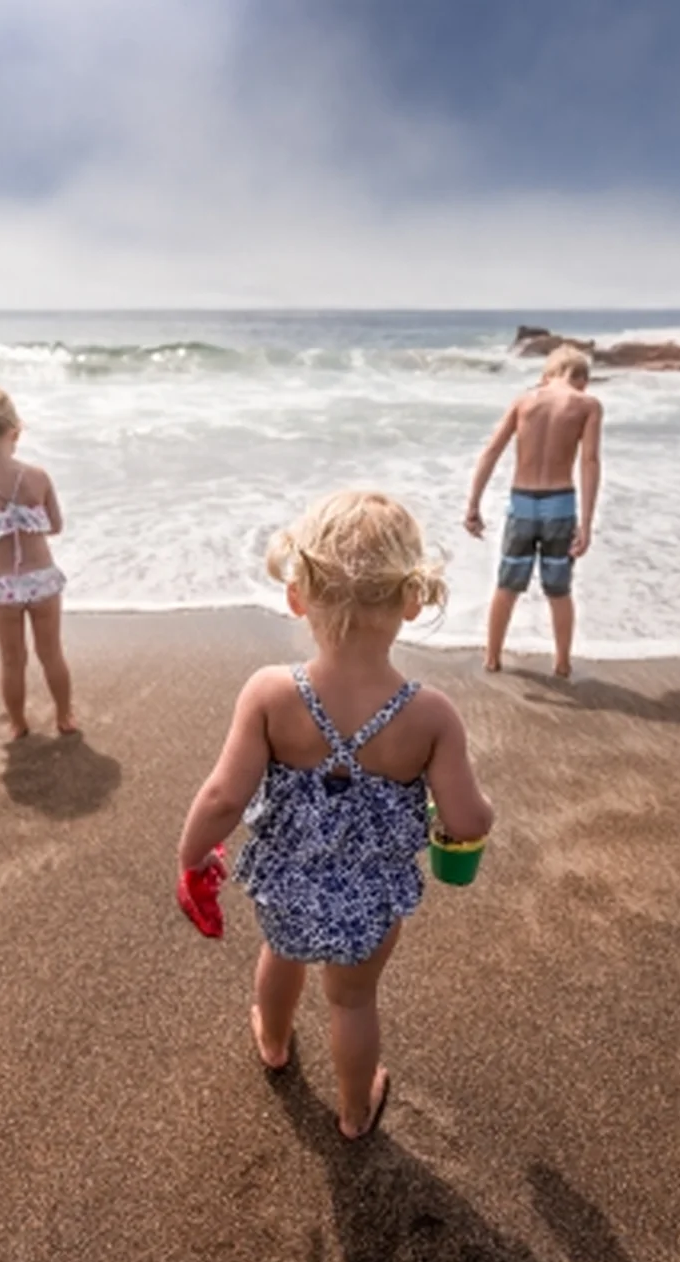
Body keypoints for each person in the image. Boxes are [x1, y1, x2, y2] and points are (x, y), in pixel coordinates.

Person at [176, 491, 493, 1140]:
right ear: (412, 600)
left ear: (298, 597)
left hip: (285, 887)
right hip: (370, 901)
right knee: (351, 999)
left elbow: (222, 799)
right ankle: (354, 1112)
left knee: (281, 953)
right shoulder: (430, 715)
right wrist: (461, 810)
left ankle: (272, 1040)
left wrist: (192, 858)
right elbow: (466, 821)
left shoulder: (269, 693)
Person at [463, 344, 603, 678]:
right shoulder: (587, 404)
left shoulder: (525, 400)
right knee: (559, 590)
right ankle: (562, 662)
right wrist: (586, 523)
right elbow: (590, 461)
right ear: (582, 379)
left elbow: (492, 450)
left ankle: (493, 658)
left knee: (507, 586)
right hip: (560, 505)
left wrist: (473, 504)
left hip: (521, 504)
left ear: (548, 374)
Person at [0, 384, 76, 739]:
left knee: (12, 660)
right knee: (51, 653)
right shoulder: (37, 477)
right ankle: (64, 716)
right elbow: (55, 525)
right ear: (15, 430)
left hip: (2, 587)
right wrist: (26, 525)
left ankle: (19, 724)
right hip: (43, 581)